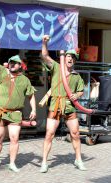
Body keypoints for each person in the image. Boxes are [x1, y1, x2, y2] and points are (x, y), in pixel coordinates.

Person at [40, 35, 87, 173]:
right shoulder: (55, 67)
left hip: (69, 106)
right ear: (64, 57)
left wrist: (76, 95)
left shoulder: (77, 76)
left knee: (75, 133)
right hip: (55, 104)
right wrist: (44, 43)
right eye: (68, 56)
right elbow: (44, 55)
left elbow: (80, 91)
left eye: (72, 57)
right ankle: (44, 162)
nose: (70, 58)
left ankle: (78, 159)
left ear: (75, 60)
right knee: (49, 134)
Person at [0, 40, 36, 172]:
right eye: (11, 62)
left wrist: (34, 109)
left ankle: (12, 163)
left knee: (14, 138)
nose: (13, 64)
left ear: (20, 66)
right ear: (8, 64)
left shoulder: (25, 80)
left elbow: (31, 95)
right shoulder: (1, 71)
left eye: (16, 63)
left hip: (15, 114)